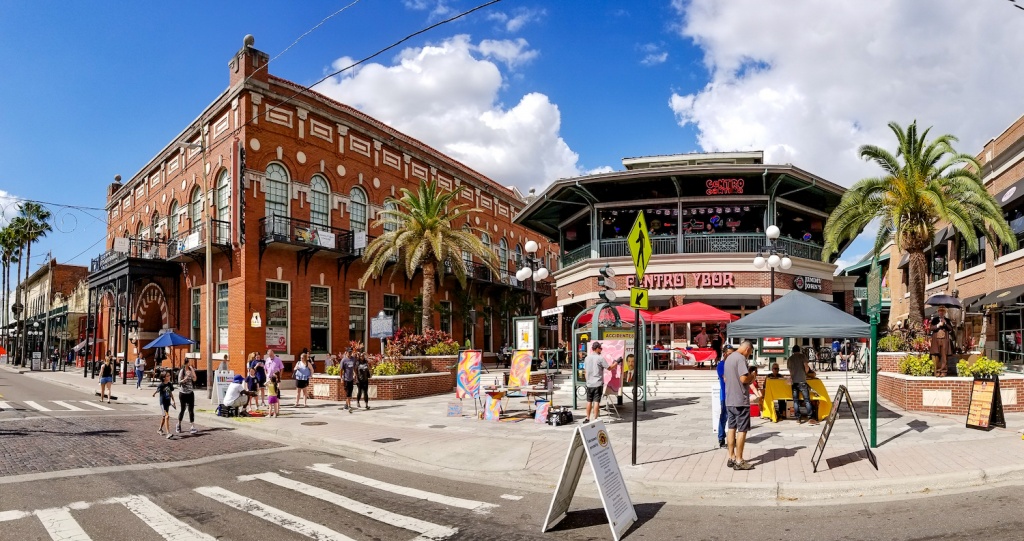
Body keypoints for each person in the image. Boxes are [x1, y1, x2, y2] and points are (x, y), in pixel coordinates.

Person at [723, 341, 757, 470]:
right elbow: (743, 379)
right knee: (742, 430)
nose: (749, 355)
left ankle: (731, 457)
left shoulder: (729, 358)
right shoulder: (741, 358)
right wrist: (752, 376)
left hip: (729, 399)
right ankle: (739, 460)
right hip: (740, 400)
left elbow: (726, 378)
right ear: (747, 349)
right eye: (750, 353)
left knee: (731, 428)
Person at [583, 342, 617, 422]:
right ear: (597, 348)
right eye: (600, 348)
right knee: (596, 401)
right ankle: (595, 418)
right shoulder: (600, 358)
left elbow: (585, 371)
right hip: (597, 383)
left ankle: (587, 418)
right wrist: (616, 362)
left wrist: (587, 381)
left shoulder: (587, 358)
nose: (601, 350)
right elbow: (609, 368)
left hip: (589, 384)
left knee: (589, 401)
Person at [787, 345, 817, 425]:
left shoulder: (790, 359)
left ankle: (798, 418)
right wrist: (805, 374)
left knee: (796, 401)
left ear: (793, 351)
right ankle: (810, 418)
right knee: (806, 400)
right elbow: (806, 367)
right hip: (802, 381)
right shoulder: (802, 356)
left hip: (794, 382)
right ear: (799, 350)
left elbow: (790, 371)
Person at [930, 307, 954, 377]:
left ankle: (943, 371)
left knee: (944, 356)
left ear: (945, 312)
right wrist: (938, 325)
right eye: (940, 311)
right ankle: (937, 371)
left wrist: (945, 323)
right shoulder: (934, 320)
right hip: (936, 340)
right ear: (938, 312)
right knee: (937, 356)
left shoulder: (947, 320)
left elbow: (950, 329)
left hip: (944, 340)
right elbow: (931, 328)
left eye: (943, 311)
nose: (941, 312)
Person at [176, 358, 198, 434]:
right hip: (183, 393)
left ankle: (192, 426)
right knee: (183, 409)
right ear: (184, 364)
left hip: (190, 393)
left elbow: (195, 379)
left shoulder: (191, 370)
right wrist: (185, 378)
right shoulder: (182, 371)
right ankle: (178, 424)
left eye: (188, 363)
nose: (188, 364)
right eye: (187, 363)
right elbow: (179, 382)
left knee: (191, 410)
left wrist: (192, 371)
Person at [153, 370, 176, 439]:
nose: (169, 377)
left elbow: (170, 393)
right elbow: (158, 390)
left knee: (164, 416)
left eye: (169, 375)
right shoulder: (161, 385)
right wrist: (154, 393)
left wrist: (173, 401)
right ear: (164, 378)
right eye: (168, 376)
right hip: (162, 403)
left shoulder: (169, 384)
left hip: (167, 402)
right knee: (167, 416)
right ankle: (168, 433)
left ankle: (160, 429)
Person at [715, 352, 728, 448]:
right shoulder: (721, 365)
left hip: (734, 395)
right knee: (724, 416)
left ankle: (732, 437)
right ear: (724, 354)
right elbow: (725, 378)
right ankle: (721, 437)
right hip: (725, 395)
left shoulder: (733, 364)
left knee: (733, 418)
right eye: (729, 354)